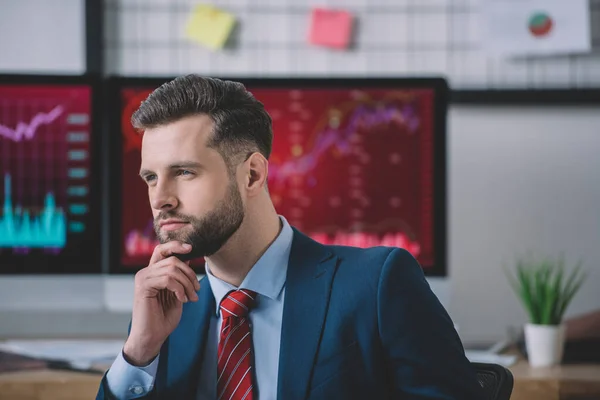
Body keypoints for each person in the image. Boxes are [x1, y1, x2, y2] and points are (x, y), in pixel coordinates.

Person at [96, 75, 484, 400]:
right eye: (151, 177)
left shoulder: (377, 285)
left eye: (184, 172)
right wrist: (138, 353)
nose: (160, 199)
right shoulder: (163, 318)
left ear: (252, 175)